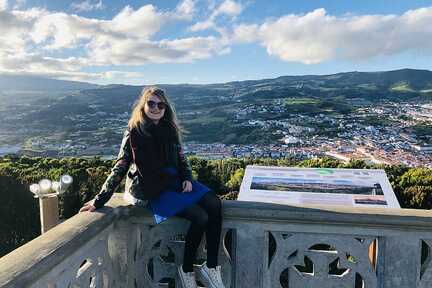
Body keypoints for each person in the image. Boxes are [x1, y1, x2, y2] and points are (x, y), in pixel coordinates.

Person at [79, 87, 225, 288]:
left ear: (165, 108)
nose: (156, 108)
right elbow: (120, 166)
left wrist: (187, 178)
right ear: (143, 106)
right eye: (151, 103)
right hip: (150, 188)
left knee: (214, 203)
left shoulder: (170, 130)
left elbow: (182, 159)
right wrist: (100, 199)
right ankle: (187, 270)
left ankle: (212, 266)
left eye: (160, 104)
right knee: (200, 217)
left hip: (173, 180)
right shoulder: (134, 132)